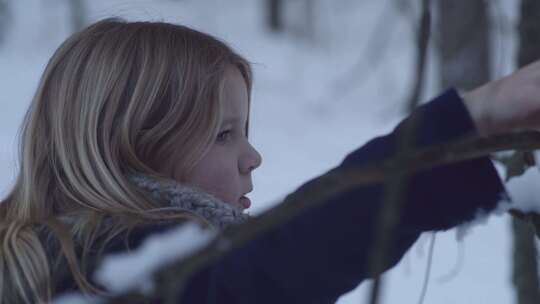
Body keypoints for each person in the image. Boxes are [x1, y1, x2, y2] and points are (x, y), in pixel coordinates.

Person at [0, 17, 539, 304]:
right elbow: (273, 269)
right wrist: (474, 116)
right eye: (223, 134)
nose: (252, 157)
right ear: (131, 148)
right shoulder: (102, 272)